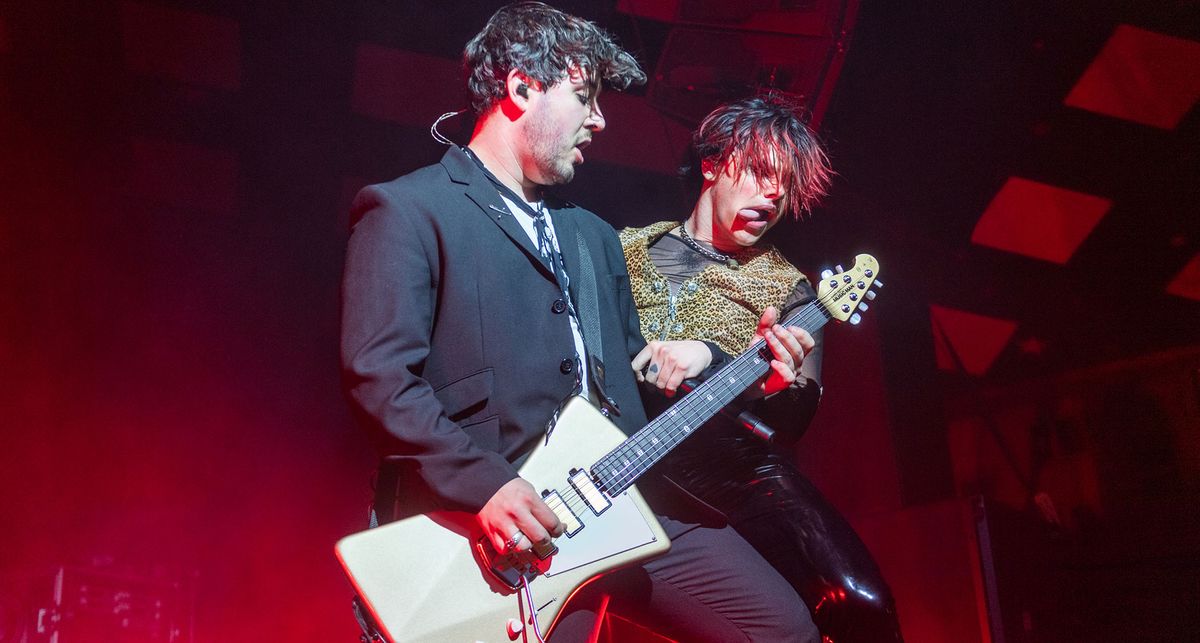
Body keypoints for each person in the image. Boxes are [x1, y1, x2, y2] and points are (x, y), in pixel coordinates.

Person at [340, 3, 820, 641]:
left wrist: (741, 374)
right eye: (585, 97)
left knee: (783, 628)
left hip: (622, 494)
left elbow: (636, 380)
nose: (599, 120)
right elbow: (379, 379)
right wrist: (487, 486)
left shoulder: (591, 236)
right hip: (497, 524)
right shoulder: (410, 210)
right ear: (520, 89)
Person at [619, 94, 905, 642]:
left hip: (728, 471)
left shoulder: (790, 287)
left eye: (786, 185)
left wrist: (764, 381)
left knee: (862, 602)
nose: (773, 194)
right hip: (620, 456)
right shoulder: (622, 248)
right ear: (710, 164)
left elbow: (794, 413)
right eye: (759, 172)